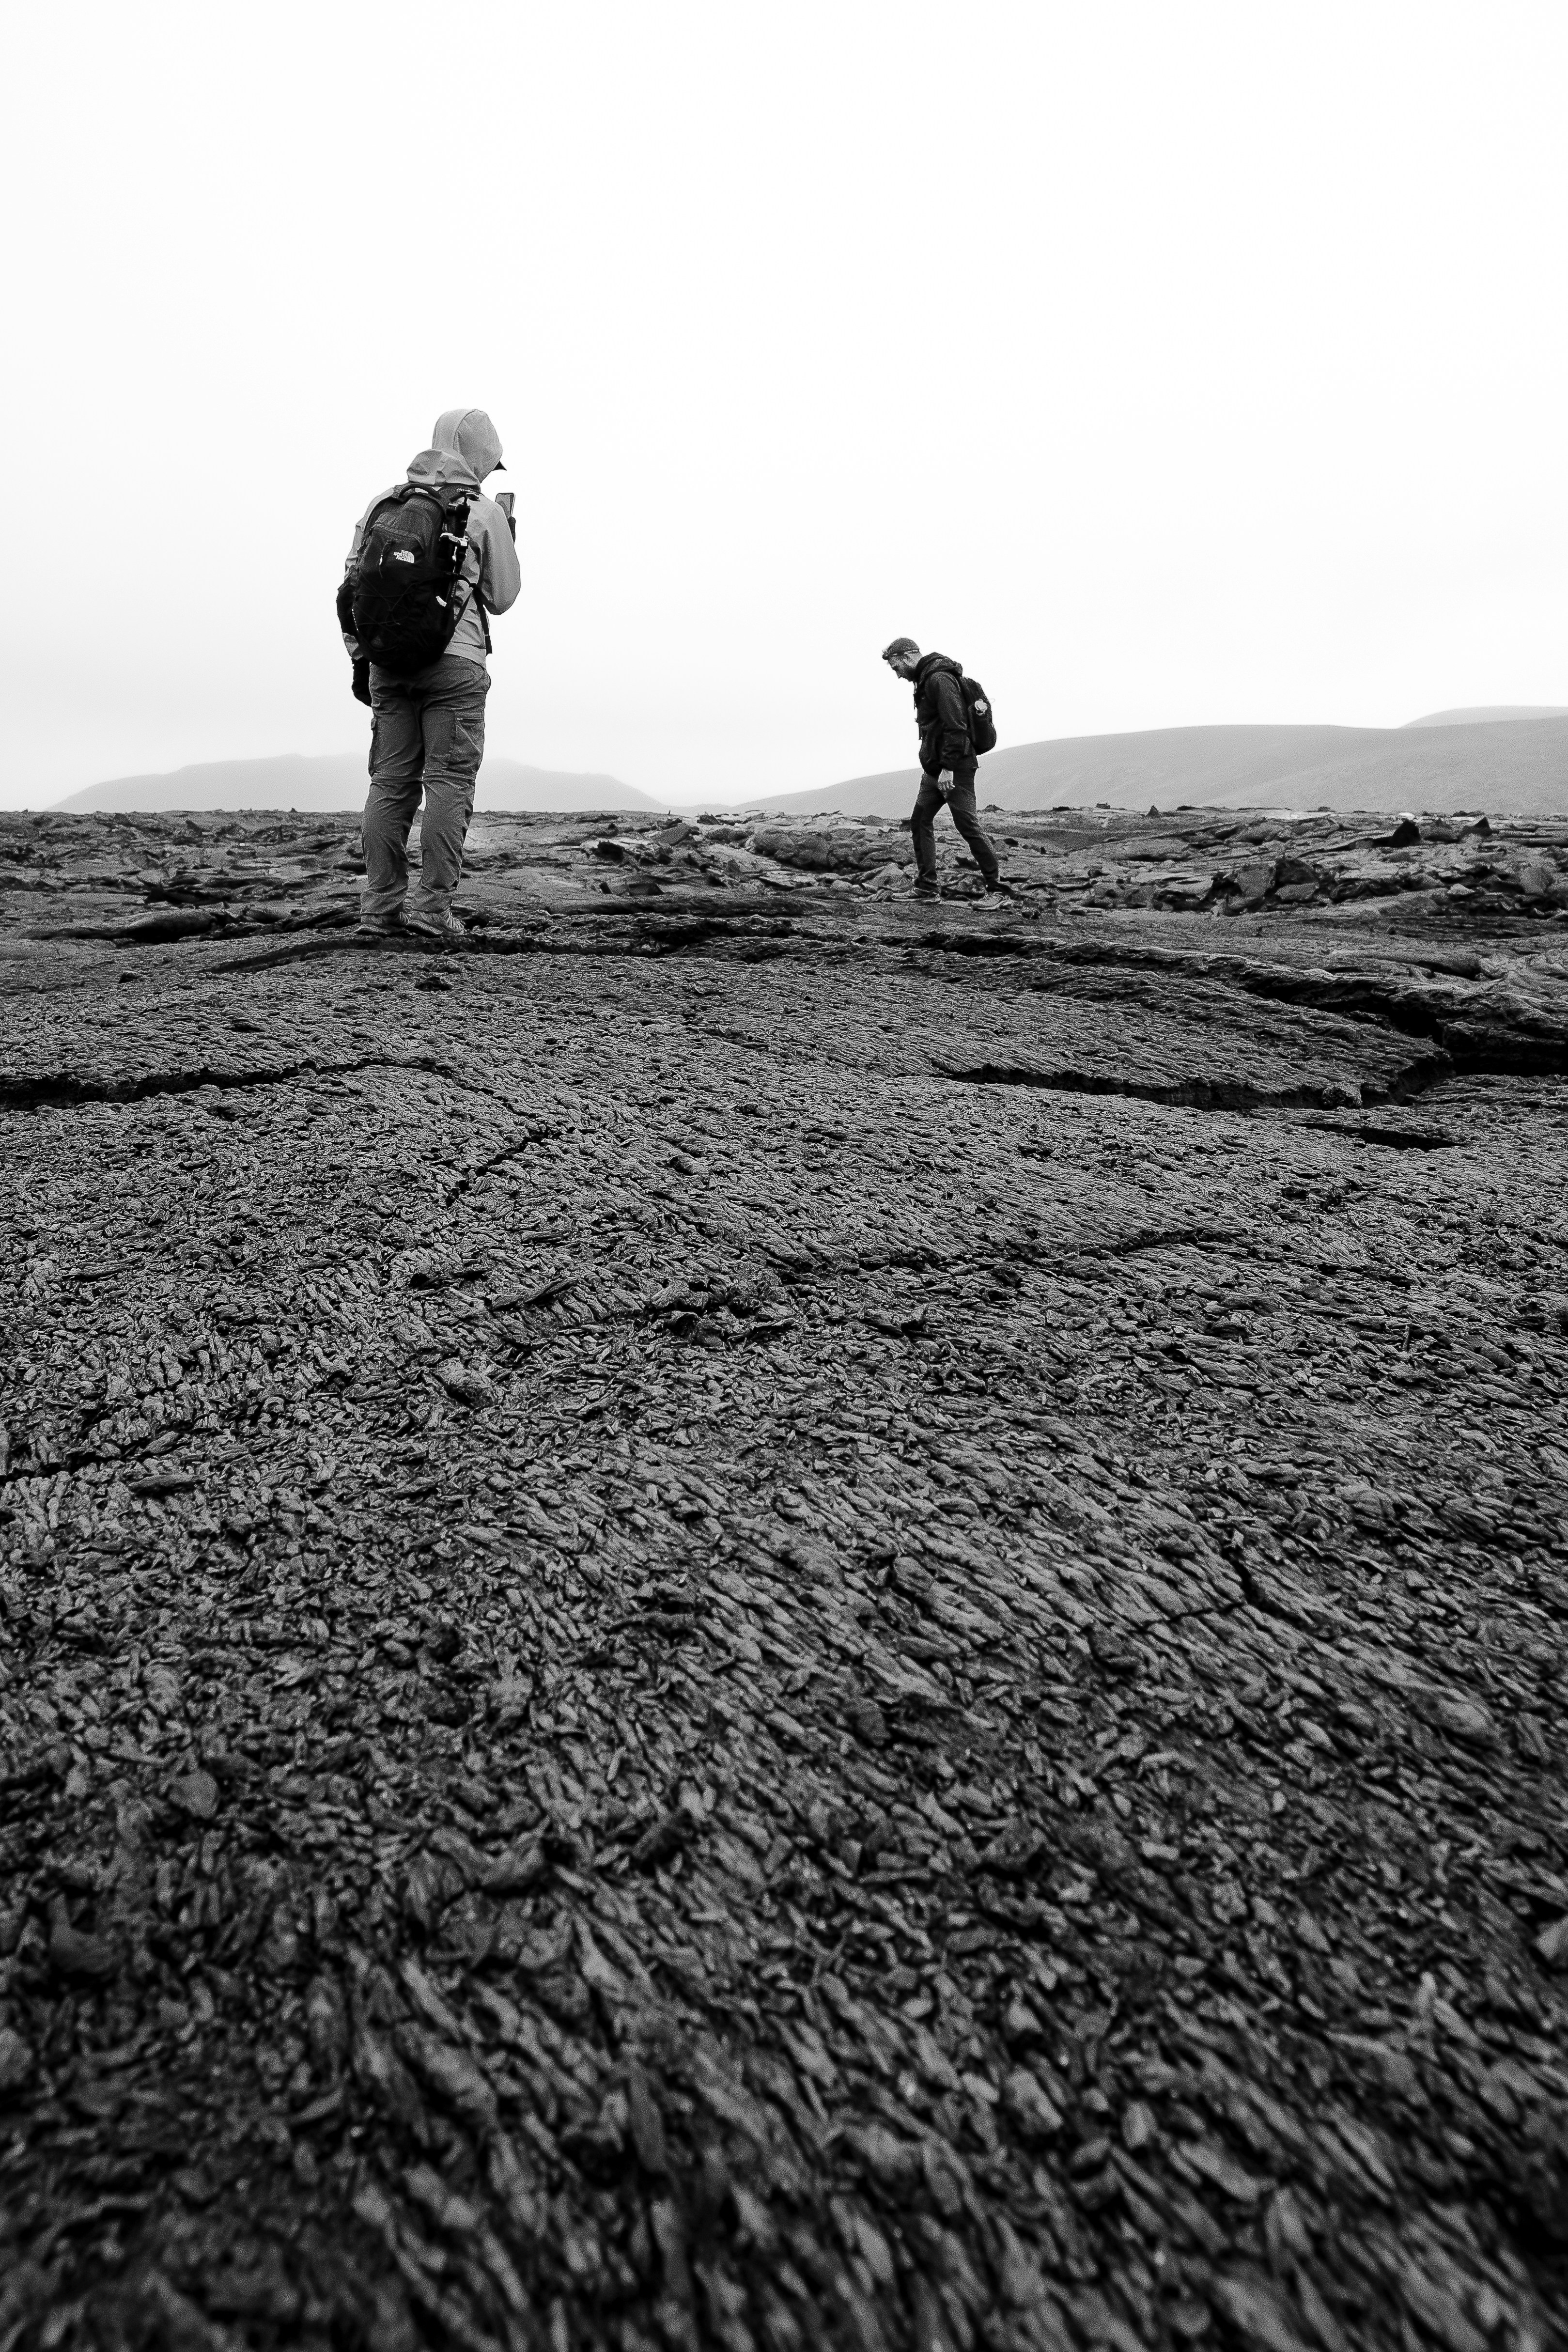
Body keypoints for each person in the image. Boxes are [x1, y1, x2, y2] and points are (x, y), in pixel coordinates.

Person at [341, 409, 521, 941]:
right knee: (448, 783)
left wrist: (361, 656)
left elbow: (351, 588)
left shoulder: (385, 504)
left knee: (390, 783)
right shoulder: (483, 512)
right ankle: (432, 912)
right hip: (455, 662)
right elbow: (503, 598)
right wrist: (505, 536)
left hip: (387, 664)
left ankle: (378, 911)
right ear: (481, 457)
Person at [881, 638, 1010, 902]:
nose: (898, 675)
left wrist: (949, 769)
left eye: (896, 668)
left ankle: (998, 890)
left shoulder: (939, 679)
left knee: (967, 826)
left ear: (907, 657)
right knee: (920, 821)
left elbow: (957, 725)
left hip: (955, 768)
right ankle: (926, 888)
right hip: (935, 769)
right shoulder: (926, 679)